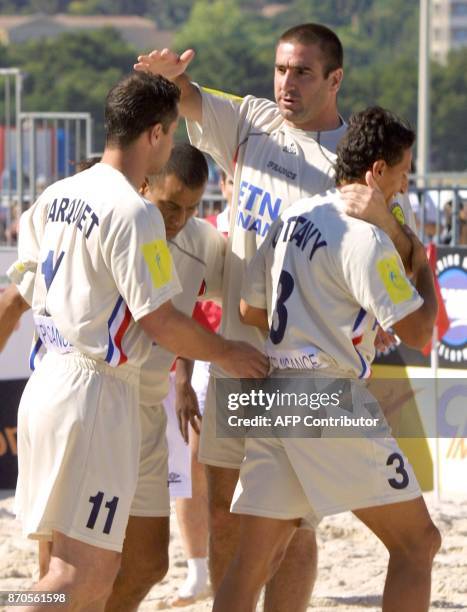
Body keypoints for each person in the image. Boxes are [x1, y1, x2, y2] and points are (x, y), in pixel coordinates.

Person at [135, 23, 414, 609]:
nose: (287, 83)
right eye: (282, 69)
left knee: (293, 528)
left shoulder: (357, 162)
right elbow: (192, 97)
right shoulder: (255, 118)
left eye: (303, 72)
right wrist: (170, 78)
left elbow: (401, 252)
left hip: (302, 370)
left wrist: (391, 240)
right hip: (237, 354)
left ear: (335, 79)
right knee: (227, 515)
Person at [7, 73, 268, 612]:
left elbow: (20, 291)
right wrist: (228, 353)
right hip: (95, 394)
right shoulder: (132, 211)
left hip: (55, 386)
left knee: (97, 572)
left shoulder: (58, 194)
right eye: (172, 134)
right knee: (72, 576)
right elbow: (161, 322)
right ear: (155, 134)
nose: (172, 143)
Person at [213, 106, 441, 612]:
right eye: (402, 173)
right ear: (377, 171)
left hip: (277, 394)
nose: (404, 186)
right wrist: (421, 262)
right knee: (418, 543)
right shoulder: (366, 238)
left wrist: (332, 320)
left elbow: (252, 309)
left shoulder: (294, 216)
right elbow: (422, 332)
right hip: (328, 399)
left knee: (250, 565)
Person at [168, 169, 233, 607]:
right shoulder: (209, 233)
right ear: (225, 186)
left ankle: (234, 567)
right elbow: (187, 308)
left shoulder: (266, 229)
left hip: (257, 362)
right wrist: (183, 375)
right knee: (189, 465)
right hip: (210, 358)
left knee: (244, 475)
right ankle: (197, 568)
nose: (236, 185)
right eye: (231, 180)